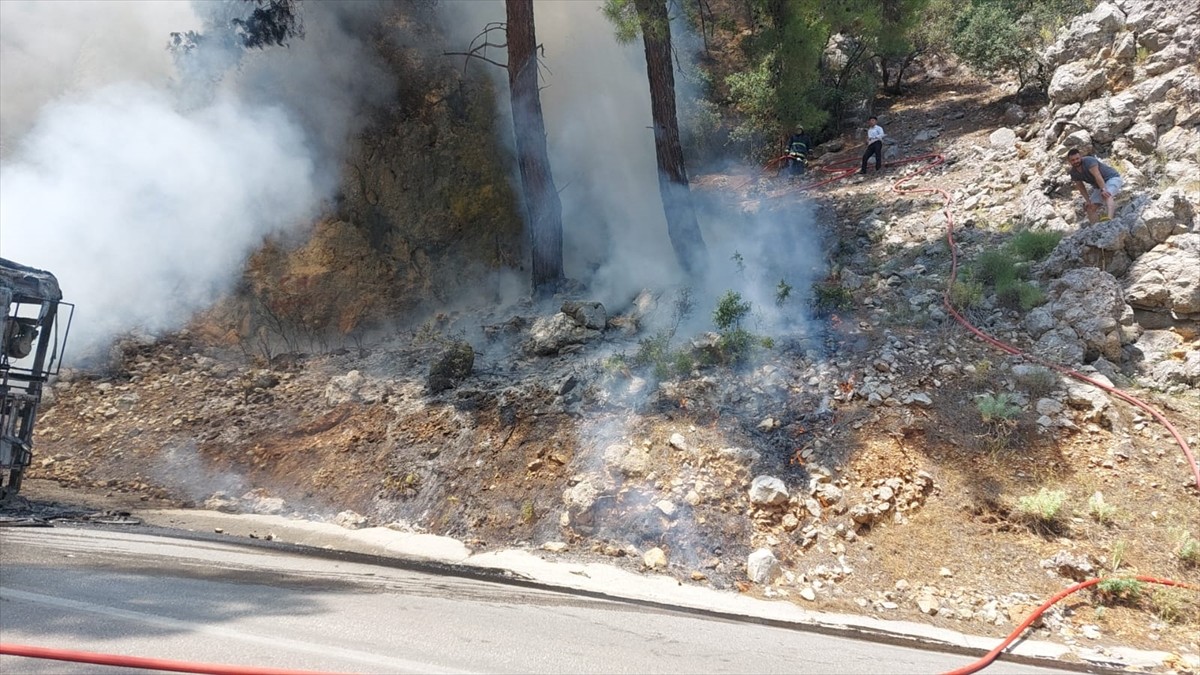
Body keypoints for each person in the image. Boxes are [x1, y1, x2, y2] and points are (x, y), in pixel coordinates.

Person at [1066, 148, 1122, 223]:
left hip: (1111, 178)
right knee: (1090, 207)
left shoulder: (1089, 161)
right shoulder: (1073, 173)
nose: (1076, 161)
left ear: (1081, 157)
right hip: (1098, 186)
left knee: (1107, 194)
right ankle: (1095, 227)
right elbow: (1081, 187)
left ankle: (1109, 219)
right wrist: (1088, 201)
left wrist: (1104, 189)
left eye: (1077, 158)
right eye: (1073, 160)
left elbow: (1097, 175)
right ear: (1069, 161)